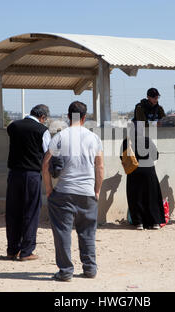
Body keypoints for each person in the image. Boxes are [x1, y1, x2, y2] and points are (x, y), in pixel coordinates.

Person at [42, 101, 104, 282]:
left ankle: (66, 271)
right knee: (88, 232)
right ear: (85, 117)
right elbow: (99, 167)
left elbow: (45, 164)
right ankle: (90, 269)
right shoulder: (94, 138)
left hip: (64, 192)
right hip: (87, 193)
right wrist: (97, 190)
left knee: (62, 232)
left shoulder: (60, 137)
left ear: (69, 116)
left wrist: (48, 189)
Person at [5, 104, 51, 261]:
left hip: (14, 175)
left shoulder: (13, 126)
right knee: (31, 212)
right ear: (42, 117)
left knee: (13, 212)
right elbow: (48, 154)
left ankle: (12, 250)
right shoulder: (42, 131)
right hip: (31, 176)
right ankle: (27, 251)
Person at [121, 123, 165, 230]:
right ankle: (154, 222)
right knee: (152, 196)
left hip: (133, 171)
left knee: (136, 196)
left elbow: (122, 157)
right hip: (148, 171)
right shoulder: (147, 140)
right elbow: (155, 155)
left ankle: (139, 222)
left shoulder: (126, 142)